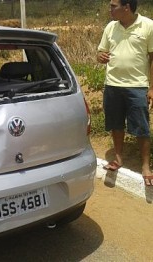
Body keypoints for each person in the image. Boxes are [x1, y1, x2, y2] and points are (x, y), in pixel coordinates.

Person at [97, 0, 153, 186]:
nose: (110, 9)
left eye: (114, 6)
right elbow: (101, 52)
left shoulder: (148, 26)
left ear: (126, 7)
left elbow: (152, 59)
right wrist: (101, 56)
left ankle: (146, 166)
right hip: (113, 84)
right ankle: (119, 157)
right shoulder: (111, 27)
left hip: (137, 86)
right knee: (116, 123)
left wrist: (152, 88)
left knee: (141, 127)